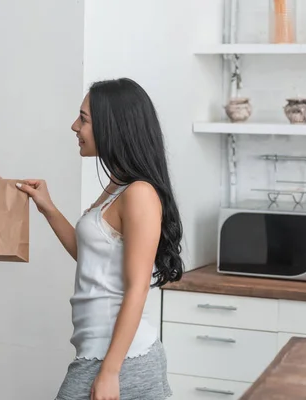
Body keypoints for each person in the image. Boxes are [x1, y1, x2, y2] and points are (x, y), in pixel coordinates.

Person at [17, 78, 183, 400]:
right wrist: (48, 208)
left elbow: (137, 288)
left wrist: (110, 371)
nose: (74, 126)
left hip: (121, 360)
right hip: (99, 354)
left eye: (84, 119)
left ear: (112, 126)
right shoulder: (119, 185)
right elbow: (90, 257)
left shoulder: (140, 194)